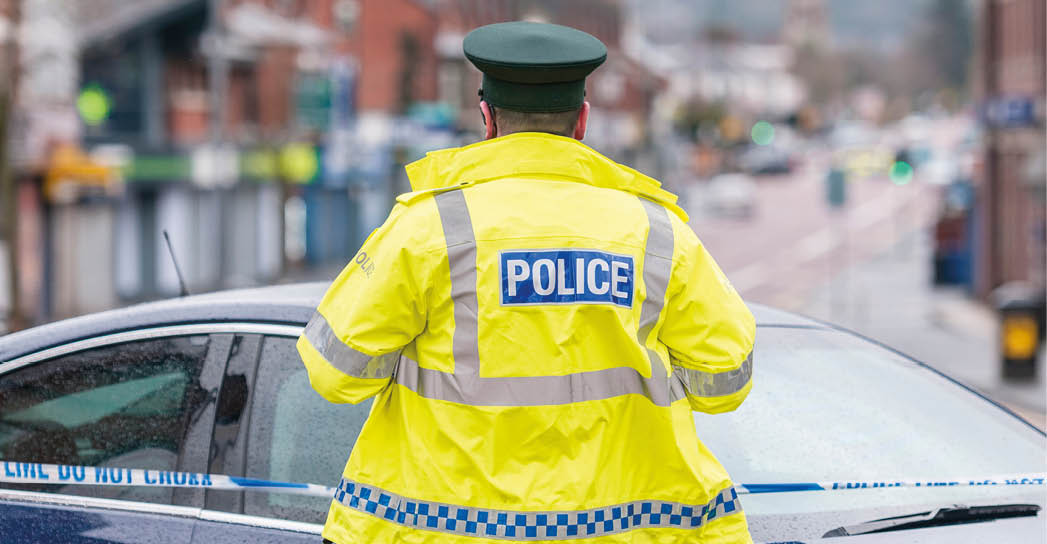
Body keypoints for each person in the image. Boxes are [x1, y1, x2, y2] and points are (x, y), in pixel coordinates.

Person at [299, 21, 755, 543]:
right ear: (582, 120)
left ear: (487, 119)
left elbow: (334, 375)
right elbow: (726, 383)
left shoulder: (429, 228)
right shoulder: (656, 232)